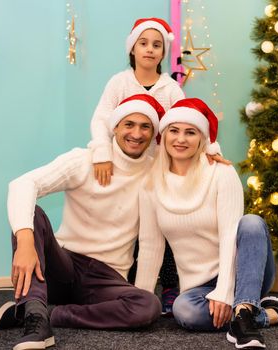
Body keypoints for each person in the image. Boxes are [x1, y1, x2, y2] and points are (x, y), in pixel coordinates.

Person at [135, 98, 278, 349]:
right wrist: (141, 302)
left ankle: (244, 312)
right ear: (164, 135)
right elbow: (150, 246)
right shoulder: (151, 184)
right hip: (198, 287)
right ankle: (270, 314)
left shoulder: (221, 173)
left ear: (202, 138)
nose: (181, 139)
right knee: (184, 312)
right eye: (174, 131)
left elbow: (229, 235)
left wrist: (224, 293)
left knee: (252, 223)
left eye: (190, 132)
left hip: (244, 271)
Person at [0, 94, 166, 350]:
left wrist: (211, 154)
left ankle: (49, 314)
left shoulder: (156, 170)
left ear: (153, 133)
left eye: (145, 126)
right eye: (129, 124)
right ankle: (37, 320)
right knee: (34, 215)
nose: (137, 133)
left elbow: (153, 240)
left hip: (106, 278)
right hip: (62, 266)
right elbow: (22, 184)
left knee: (148, 305)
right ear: (115, 127)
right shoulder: (83, 160)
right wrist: (25, 241)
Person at [89, 17, 185, 314]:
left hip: (159, 170)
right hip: (126, 167)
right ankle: (128, 285)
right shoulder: (120, 83)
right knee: (131, 224)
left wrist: (211, 150)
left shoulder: (170, 88)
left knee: (165, 226)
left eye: (157, 45)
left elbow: (186, 121)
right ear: (133, 48)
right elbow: (101, 119)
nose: (150, 50)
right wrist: (102, 152)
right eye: (143, 43)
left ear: (163, 52)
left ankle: (170, 285)